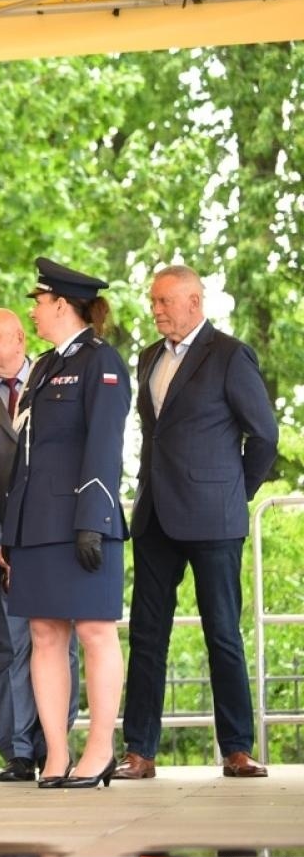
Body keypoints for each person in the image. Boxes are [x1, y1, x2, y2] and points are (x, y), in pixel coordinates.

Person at [119, 265, 278, 780]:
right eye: (154, 301)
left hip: (214, 518)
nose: (156, 309)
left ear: (194, 301)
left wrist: (236, 493)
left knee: (223, 634)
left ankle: (236, 748)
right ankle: (139, 752)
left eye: (164, 301)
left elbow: (265, 438)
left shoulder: (230, 355)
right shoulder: (147, 358)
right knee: (146, 635)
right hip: (155, 517)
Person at [1, 260, 132, 788]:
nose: (31, 310)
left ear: (61, 304)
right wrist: (13, 531)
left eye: (37, 301)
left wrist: (93, 521)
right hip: (36, 522)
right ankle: (56, 754)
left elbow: (105, 444)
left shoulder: (102, 361)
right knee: (42, 633)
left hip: (82, 519)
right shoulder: (43, 367)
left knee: (96, 631)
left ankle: (99, 750)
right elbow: (26, 456)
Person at [0, 306, 78, 781]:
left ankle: (55, 746)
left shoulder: (57, 381)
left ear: (18, 338)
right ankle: (17, 750)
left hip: (54, 539)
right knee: (10, 647)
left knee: (60, 642)